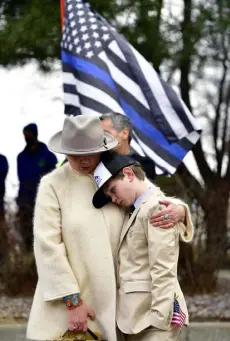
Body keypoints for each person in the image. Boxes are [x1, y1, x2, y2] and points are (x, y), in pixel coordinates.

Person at [27, 116, 193, 341]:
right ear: (65, 151)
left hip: (119, 306)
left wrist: (180, 210)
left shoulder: (117, 171)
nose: (84, 160)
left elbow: (152, 199)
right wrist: (72, 301)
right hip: (72, 305)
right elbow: (47, 246)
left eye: (90, 152)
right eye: (76, 154)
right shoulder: (53, 184)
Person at [92, 152, 190, 341]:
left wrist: (160, 320)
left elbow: (164, 268)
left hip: (154, 321)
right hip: (136, 318)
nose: (113, 199)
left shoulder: (157, 208)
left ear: (129, 174)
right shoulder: (135, 209)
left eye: (113, 190)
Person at [17, 123, 57, 251]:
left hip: (43, 202)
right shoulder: (21, 157)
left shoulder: (48, 156)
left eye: (28, 134)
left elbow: (54, 179)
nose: (26, 137)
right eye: (24, 135)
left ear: (35, 134)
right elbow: (21, 180)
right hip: (25, 203)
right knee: (27, 236)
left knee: (44, 237)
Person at [100, 112, 156, 182]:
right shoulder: (95, 162)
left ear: (124, 133)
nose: (101, 137)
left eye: (106, 133)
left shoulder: (146, 164)